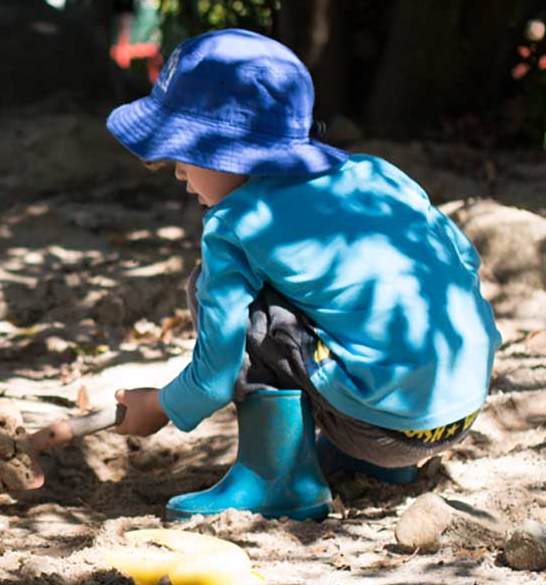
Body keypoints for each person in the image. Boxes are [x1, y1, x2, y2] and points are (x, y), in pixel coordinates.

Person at [103, 29, 500, 521]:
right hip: (458, 409)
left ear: (231, 150)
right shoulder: (375, 174)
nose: (178, 173)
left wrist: (160, 405)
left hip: (381, 427)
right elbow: (461, 262)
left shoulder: (236, 225)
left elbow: (214, 376)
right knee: (346, 312)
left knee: (227, 297)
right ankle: (381, 466)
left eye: (185, 154)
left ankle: (278, 479)